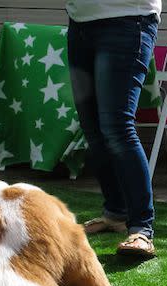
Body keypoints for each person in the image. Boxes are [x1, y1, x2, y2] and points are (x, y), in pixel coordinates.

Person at [66, 0, 161, 258]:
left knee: (117, 127)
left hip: (127, 20)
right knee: (93, 129)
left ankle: (142, 228)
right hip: (80, 24)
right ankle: (116, 213)